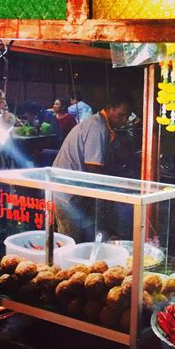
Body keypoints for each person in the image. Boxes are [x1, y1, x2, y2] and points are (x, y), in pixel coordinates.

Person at [52, 93, 132, 242]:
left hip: (76, 191)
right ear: (109, 109)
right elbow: (93, 166)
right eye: (120, 115)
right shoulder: (97, 128)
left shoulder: (104, 126)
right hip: (67, 194)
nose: (123, 120)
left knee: (89, 234)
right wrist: (111, 190)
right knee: (71, 241)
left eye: (126, 116)